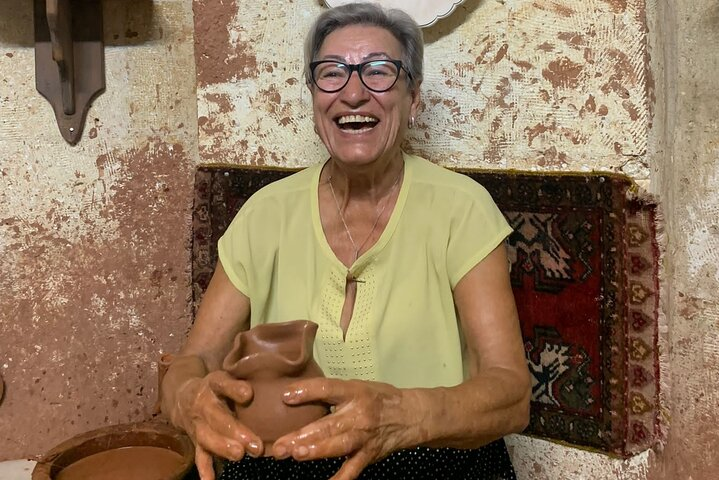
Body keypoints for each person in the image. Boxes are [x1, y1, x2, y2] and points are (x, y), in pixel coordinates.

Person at [161, 3, 531, 479]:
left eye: (379, 72)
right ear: (314, 98)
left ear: (413, 98)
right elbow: (192, 362)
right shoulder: (265, 214)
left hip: (428, 459)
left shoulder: (462, 210)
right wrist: (189, 400)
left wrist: (399, 416)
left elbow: (511, 394)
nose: (353, 93)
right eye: (332, 73)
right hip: (282, 464)